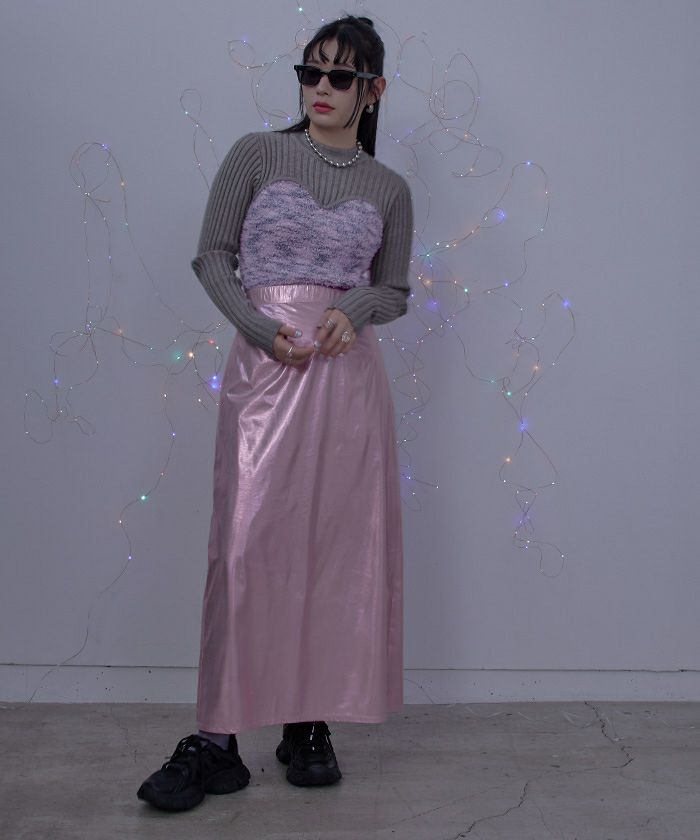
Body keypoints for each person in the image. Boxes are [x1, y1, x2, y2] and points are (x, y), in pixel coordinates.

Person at [137, 13, 413, 812]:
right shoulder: (256, 154)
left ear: (373, 90)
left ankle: (307, 719)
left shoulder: (389, 187)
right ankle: (217, 741)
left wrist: (355, 307)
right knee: (245, 545)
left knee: (332, 549)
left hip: (348, 383)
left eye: (339, 76)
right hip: (266, 372)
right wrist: (261, 329)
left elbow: (395, 289)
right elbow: (213, 255)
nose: (320, 88)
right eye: (310, 72)